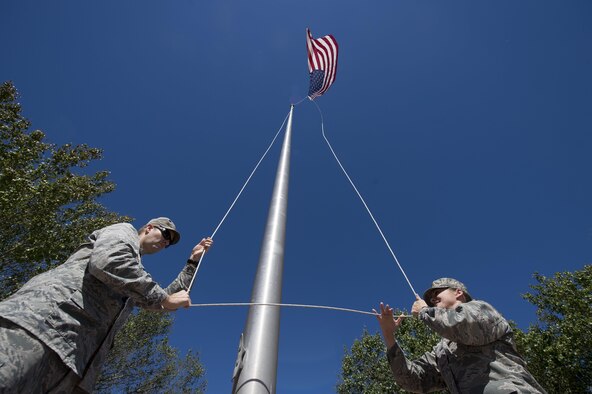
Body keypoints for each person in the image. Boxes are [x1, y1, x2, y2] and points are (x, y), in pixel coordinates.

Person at [0, 217, 213, 393]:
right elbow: (109, 261)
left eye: (169, 243)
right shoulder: (124, 231)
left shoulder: (134, 277)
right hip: (40, 328)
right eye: (166, 234)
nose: (166, 242)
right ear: (149, 228)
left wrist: (192, 261)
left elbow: (164, 300)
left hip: (73, 365)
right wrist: (162, 299)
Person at [375, 278, 546, 393]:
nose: (433, 301)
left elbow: (462, 325)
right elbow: (413, 380)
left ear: (458, 292)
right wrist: (389, 337)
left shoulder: (480, 310)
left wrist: (424, 312)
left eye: (437, 294)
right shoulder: (442, 351)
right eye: (430, 301)